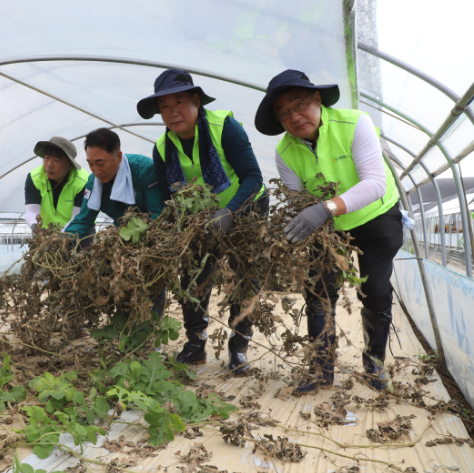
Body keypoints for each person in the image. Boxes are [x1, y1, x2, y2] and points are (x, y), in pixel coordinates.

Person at [254, 69, 402, 394]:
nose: (294, 116)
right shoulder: (286, 152)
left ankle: (374, 365)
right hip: (328, 228)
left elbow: (375, 183)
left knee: (375, 290)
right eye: (283, 113)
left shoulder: (355, 124)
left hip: (376, 217)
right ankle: (321, 368)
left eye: (299, 105)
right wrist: (286, 232)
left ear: (317, 99)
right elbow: (298, 202)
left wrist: (324, 208)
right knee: (319, 290)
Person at [137, 68, 268, 375]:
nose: (172, 112)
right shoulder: (162, 148)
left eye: (179, 102)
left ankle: (239, 349)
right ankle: (195, 345)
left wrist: (230, 213)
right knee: (194, 278)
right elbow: (171, 198)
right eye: (164, 107)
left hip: (247, 208)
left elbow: (253, 177)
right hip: (201, 219)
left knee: (245, 277)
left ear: (196, 101)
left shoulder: (226, 128)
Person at [65, 127, 166, 320]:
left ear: (118, 156)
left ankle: (153, 333)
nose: (96, 171)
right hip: (121, 240)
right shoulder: (93, 183)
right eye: (91, 164)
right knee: (122, 287)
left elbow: (156, 213)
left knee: (152, 285)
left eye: (100, 163)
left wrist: (141, 248)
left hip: (151, 240)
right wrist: (61, 242)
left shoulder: (143, 169)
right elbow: (84, 218)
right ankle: (129, 334)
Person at [24, 137, 90, 233]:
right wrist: (36, 227)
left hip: (78, 229)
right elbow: (32, 211)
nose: (49, 165)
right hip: (46, 231)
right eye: (46, 158)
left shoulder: (83, 181)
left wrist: (61, 237)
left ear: (70, 165)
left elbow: (77, 216)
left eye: (56, 160)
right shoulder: (34, 178)